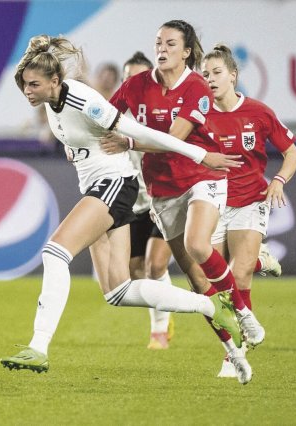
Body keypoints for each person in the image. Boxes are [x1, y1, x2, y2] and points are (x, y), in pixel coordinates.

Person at [0, 34, 245, 376]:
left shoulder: (82, 98)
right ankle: (213, 305)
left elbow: (145, 133)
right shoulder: (49, 105)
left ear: (55, 81)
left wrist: (202, 155)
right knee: (118, 291)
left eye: (33, 84)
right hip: (101, 185)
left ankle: (38, 346)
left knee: (55, 252)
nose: (27, 90)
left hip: (115, 184)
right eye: (24, 84)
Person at [101, 20, 264, 384]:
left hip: (202, 177)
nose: (161, 48)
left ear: (187, 51)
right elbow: (105, 120)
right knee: (195, 279)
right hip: (162, 189)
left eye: (170, 43)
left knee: (196, 244)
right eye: (158, 41)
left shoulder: (197, 88)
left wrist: (127, 143)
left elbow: (175, 139)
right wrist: (80, 137)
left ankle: (243, 311)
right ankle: (233, 351)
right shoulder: (135, 85)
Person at [201, 44, 296, 378]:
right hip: (212, 202)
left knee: (238, 275)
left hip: (250, 200)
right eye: (205, 75)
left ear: (233, 75)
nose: (210, 80)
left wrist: (279, 180)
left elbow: (292, 153)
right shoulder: (197, 116)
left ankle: (236, 354)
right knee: (208, 284)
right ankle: (260, 258)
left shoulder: (258, 112)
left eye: (216, 73)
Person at [121, 51, 176, 350]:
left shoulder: (164, 114)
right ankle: (164, 310)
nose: (136, 83)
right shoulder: (113, 117)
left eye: (142, 77)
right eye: (130, 77)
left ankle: (159, 330)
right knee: (134, 271)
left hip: (164, 199)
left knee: (155, 267)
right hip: (134, 204)